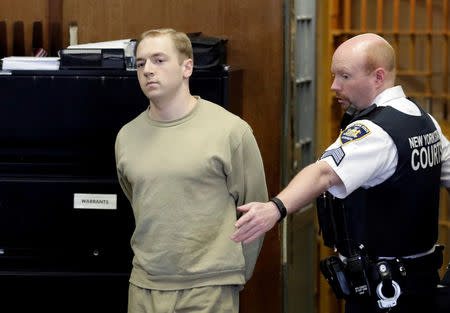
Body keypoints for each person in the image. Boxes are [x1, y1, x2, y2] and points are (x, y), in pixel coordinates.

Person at [231, 33, 450, 313]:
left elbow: (323, 174)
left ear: (378, 78)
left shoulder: (375, 131)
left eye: (345, 76)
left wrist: (275, 209)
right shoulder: (423, 120)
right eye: (334, 75)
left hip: (385, 295)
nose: (334, 86)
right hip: (420, 283)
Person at [115, 28, 268, 313]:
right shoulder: (127, 136)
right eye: (140, 63)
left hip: (208, 288)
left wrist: (233, 276)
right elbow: (138, 199)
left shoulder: (231, 131)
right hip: (145, 286)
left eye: (159, 60)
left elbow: (254, 212)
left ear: (187, 67)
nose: (148, 70)